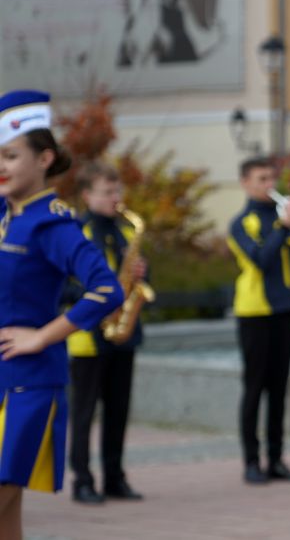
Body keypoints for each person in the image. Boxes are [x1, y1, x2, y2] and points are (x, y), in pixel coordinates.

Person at [0, 90, 123, 537]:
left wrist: (41, 336)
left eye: (10, 156)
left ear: (44, 158)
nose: (1, 166)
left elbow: (107, 290)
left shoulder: (52, 224)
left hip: (28, 384)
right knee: (7, 518)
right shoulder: (6, 214)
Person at [227, 157, 290, 484]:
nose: (269, 185)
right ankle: (252, 461)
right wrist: (283, 228)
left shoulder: (283, 221)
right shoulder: (241, 223)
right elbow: (261, 260)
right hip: (254, 313)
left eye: (271, 178)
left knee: (279, 389)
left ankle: (276, 459)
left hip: (283, 311)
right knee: (255, 388)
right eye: (261, 179)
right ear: (245, 183)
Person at [64, 163, 147, 505]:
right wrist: (98, 293)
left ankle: (115, 477)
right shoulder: (75, 233)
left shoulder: (125, 232)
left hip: (122, 331)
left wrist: (141, 273)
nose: (115, 198)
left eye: (117, 191)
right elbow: (62, 286)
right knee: (84, 412)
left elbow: (137, 277)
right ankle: (82, 480)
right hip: (87, 334)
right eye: (107, 192)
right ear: (87, 195)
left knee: (118, 410)